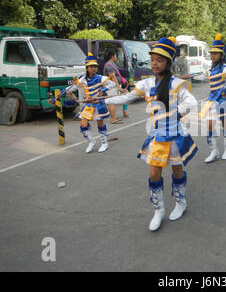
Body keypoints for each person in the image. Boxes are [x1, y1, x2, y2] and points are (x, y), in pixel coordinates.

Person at [105, 37, 198, 231]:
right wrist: (104, 101)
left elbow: (191, 103)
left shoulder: (177, 84)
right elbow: (128, 97)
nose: (155, 63)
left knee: (176, 170)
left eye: (160, 60)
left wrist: (175, 114)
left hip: (175, 136)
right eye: (153, 59)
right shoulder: (146, 84)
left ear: (168, 63)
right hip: (158, 136)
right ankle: (159, 210)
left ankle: (181, 202)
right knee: (154, 173)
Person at [56, 53, 116, 153]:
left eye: (95, 67)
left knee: (100, 122)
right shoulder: (82, 80)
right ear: (87, 68)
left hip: (98, 103)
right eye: (91, 67)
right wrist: (61, 93)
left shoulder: (100, 78)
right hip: (88, 104)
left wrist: (102, 91)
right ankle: (91, 141)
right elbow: (72, 88)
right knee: (83, 124)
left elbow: (112, 84)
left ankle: (104, 143)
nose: (94, 69)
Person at [199, 33, 226, 163]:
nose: (213, 56)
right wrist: (189, 77)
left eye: (215, 54)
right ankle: (214, 151)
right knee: (210, 125)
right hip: (212, 100)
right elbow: (203, 77)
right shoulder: (211, 69)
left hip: (224, 100)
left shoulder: (225, 67)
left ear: (221, 55)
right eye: (211, 53)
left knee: (225, 124)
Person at [103, 49, 125, 124]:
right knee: (112, 102)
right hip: (112, 86)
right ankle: (112, 119)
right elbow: (112, 76)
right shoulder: (109, 65)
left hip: (113, 86)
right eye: (115, 55)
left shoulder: (112, 63)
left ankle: (114, 118)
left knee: (114, 102)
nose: (116, 56)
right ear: (112, 56)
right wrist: (118, 86)